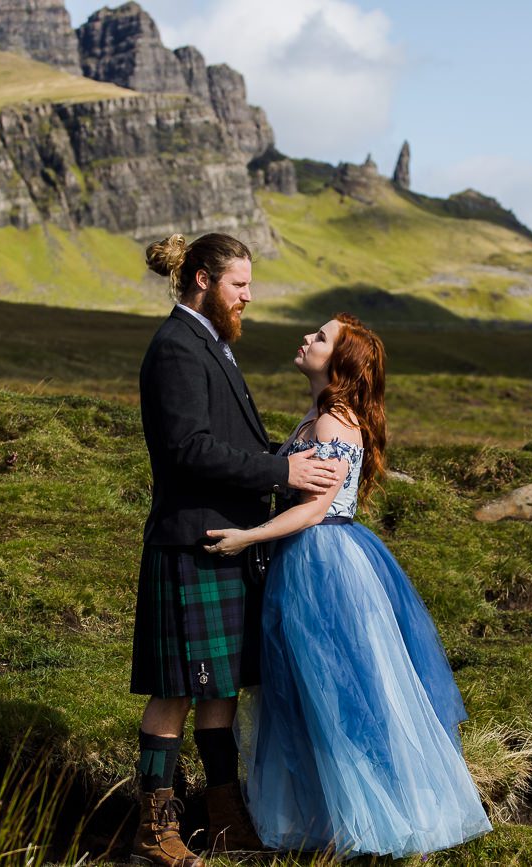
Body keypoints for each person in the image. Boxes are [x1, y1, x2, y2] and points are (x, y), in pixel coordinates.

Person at [204, 314, 492, 858]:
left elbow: (314, 509)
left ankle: (367, 818)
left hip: (324, 563)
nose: (306, 340)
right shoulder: (320, 415)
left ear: (339, 364)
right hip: (311, 559)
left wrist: (247, 537)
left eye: (319, 338)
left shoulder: (335, 423)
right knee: (315, 690)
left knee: (336, 689)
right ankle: (333, 818)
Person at [129, 232, 340, 867]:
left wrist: (286, 456)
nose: (249, 296)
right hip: (191, 541)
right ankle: (152, 830)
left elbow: (224, 441)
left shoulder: (209, 343)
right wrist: (284, 476)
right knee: (175, 690)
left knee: (218, 689)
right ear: (201, 279)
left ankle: (223, 819)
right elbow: (187, 449)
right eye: (239, 285)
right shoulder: (177, 348)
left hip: (222, 545)